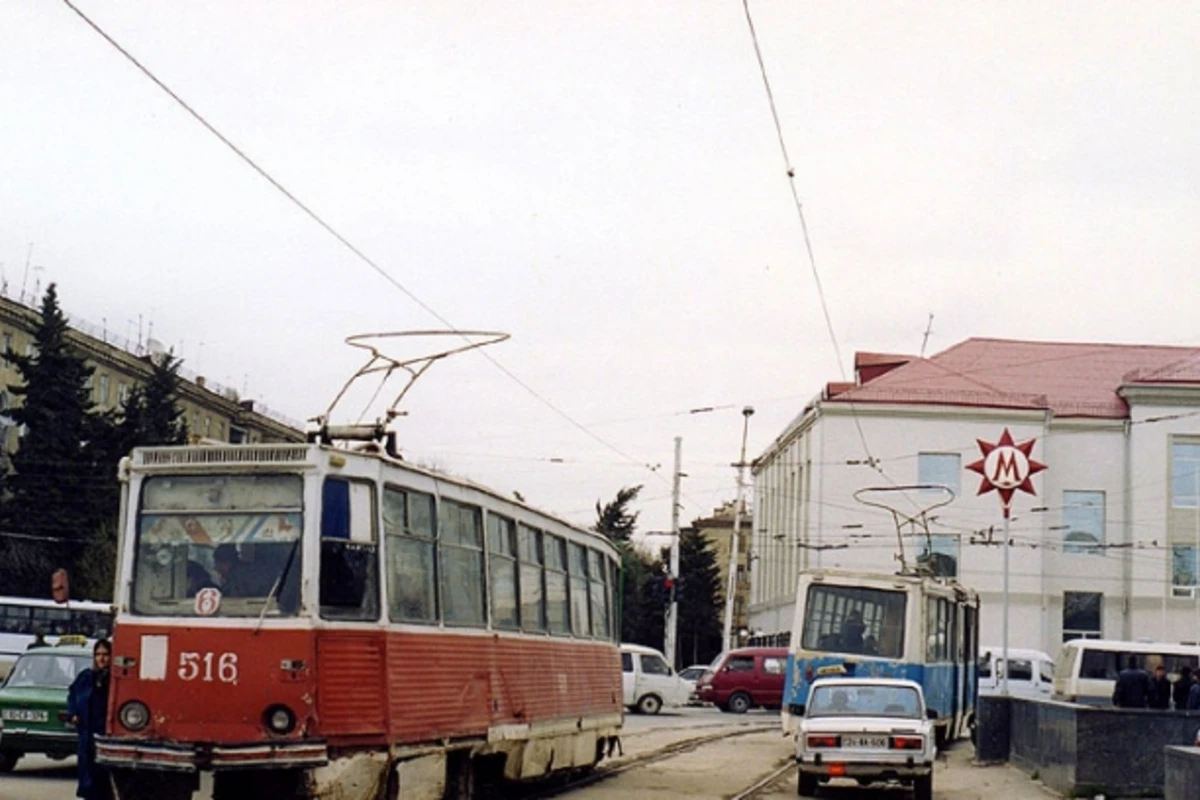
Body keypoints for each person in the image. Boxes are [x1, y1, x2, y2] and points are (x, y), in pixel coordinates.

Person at [67, 639, 113, 800]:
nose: (101, 658)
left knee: (104, 779)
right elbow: (72, 695)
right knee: (87, 777)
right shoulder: (86, 676)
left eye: (106, 655)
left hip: (104, 735)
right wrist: (72, 713)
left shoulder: (114, 680)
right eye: (98, 654)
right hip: (86, 735)